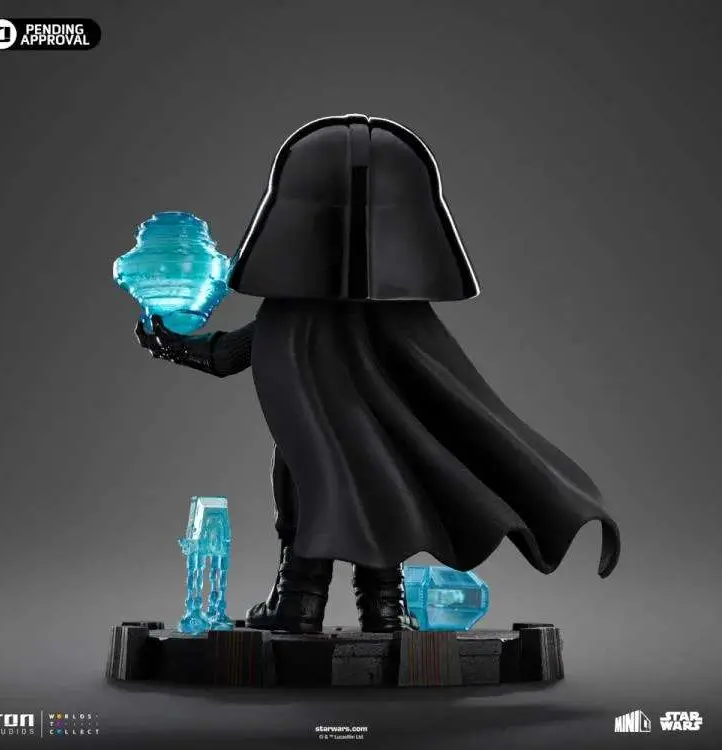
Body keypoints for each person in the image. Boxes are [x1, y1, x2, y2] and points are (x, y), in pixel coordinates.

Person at [135, 114, 620, 634]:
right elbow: (235, 352)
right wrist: (174, 345)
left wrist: (171, 344)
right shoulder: (377, 318)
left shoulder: (309, 315)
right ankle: (372, 609)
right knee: (375, 505)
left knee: (331, 506)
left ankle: (319, 606)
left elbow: (232, 353)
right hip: (361, 443)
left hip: (319, 442)